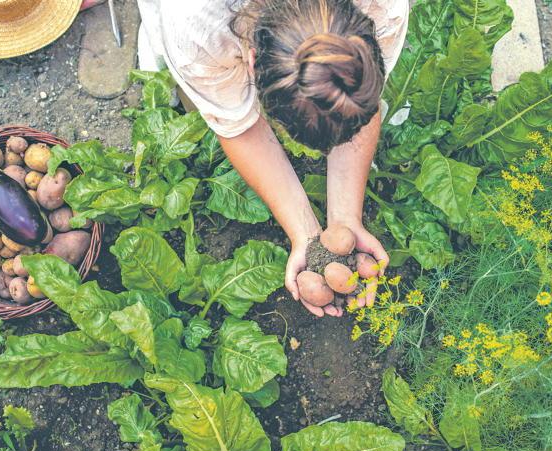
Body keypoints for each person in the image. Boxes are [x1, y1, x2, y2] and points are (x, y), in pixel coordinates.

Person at [137, 0, 409, 317]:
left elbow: (353, 101)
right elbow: (239, 128)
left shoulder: (383, 8)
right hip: (193, 23)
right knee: (184, 59)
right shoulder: (195, 28)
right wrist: (304, 234)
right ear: (252, 62)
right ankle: (158, 49)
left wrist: (342, 222)